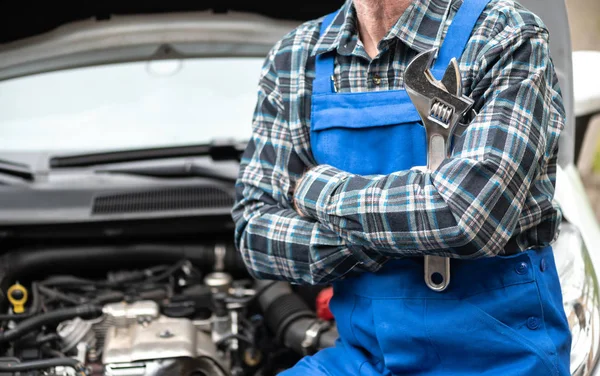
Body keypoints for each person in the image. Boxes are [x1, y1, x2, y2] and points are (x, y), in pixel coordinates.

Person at [231, 0, 572, 374]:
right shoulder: (296, 57)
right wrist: (399, 232)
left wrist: (314, 191)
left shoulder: (503, 34)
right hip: (362, 358)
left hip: (497, 356)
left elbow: (465, 217)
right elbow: (255, 231)